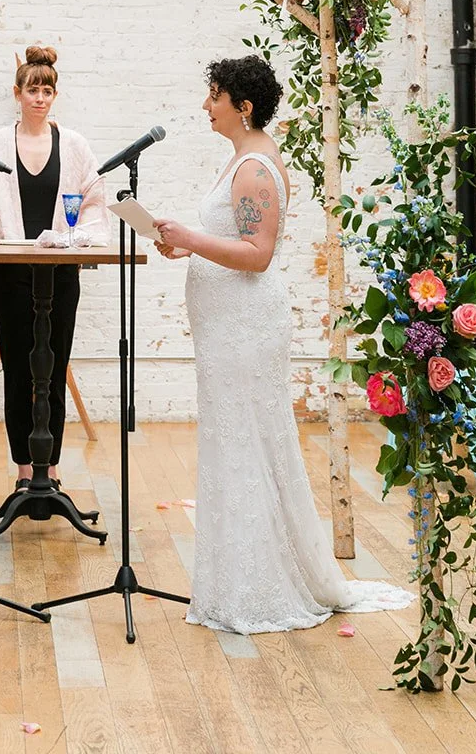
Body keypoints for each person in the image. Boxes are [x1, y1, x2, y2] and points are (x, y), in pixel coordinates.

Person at [154, 55, 412, 634]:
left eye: (214, 96)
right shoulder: (240, 161)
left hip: (245, 327)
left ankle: (258, 590)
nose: (205, 105)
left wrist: (191, 237)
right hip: (226, 328)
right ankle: (236, 582)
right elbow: (231, 240)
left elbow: (258, 253)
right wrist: (188, 244)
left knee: (248, 445)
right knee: (234, 447)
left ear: (242, 107)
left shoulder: (256, 171)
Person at [0, 45, 108, 492]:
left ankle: (50, 469)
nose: (40, 97)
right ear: (17, 93)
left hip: (60, 275)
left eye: (47, 90)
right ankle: (22, 469)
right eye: (32, 89)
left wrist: (77, 240)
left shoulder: (74, 146)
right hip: (11, 277)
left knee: (53, 367)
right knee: (16, 369)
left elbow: (95, 203)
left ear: (55, 95)